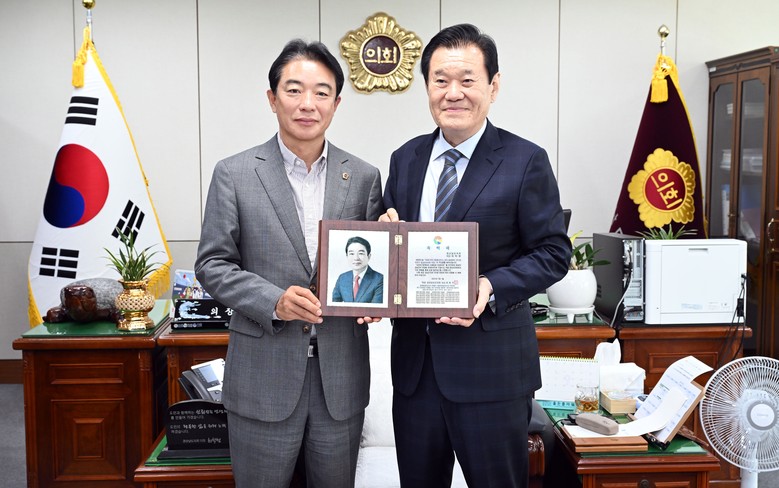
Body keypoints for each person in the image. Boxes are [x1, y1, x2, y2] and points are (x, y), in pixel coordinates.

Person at [380, 24, 572, 488]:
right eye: (440, 80)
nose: (453, 93)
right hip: (416, 372)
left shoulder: (525, 160)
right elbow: (392, 248)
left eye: (467, 80)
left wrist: (489, 286)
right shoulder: (405, 159)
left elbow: (553, 252)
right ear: (427, 86)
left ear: (493, 85)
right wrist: (384, 244)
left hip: (492, 373)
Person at [195, 39, 384, 488]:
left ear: (336, 103)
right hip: (262, 375)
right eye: (294, 90)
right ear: (272, 98)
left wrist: (378, 297)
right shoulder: (234, 173)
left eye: (321, 92)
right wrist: (274, 301)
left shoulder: (364, 177)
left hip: (340, 379)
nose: (307, 104)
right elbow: (213, 263)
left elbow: (373, 262)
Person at [332, 236, 384, 303]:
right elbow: (334, 304)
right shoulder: (342, 278)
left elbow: (376, 308)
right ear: (347, 256)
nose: (356, 258)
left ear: (369, 256)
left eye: (360, 253)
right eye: (351, 253)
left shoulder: (379, 279)